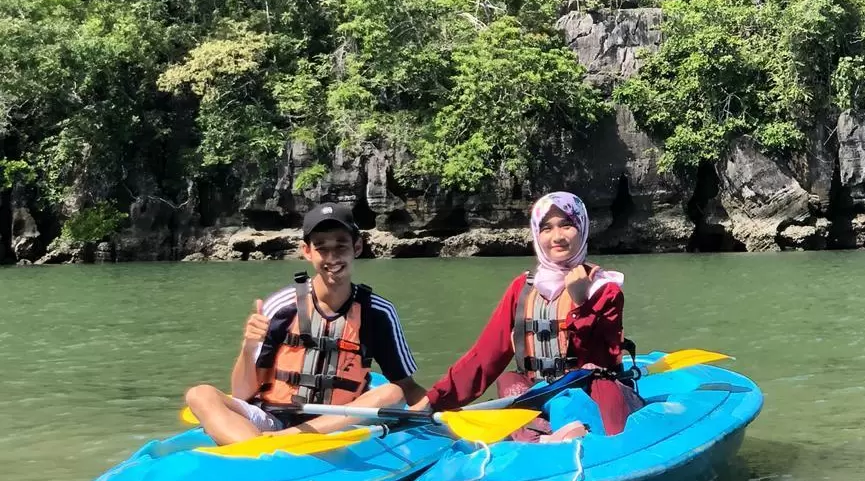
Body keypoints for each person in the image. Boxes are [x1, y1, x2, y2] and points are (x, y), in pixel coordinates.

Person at [185, 203, 426, 444]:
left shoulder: (378, 312)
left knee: (392, 392)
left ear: (357, 247)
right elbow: (241, 393)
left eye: (341, 246)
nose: (332, 257)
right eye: (321, 247)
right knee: (199, 394)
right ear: (307, 251)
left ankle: (270, 443)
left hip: (338, 423)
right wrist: (248, 348)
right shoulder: (282, 306)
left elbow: (407, 386)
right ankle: (256, 448)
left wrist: (441, 407)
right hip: (274, 417)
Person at [413, 191, 639, 441]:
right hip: (539, 393)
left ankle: (567, 434)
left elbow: (601, 359)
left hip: (590, 391)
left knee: (571, 399)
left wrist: (581, 304)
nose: (557, 237)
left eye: (567, 225)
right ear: (536, 234)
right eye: (546, 228)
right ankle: (542, 436)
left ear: (582, 228)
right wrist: (433, 400)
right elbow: (484, 357)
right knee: (510, 381)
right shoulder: (522, 288)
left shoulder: (605, 289)